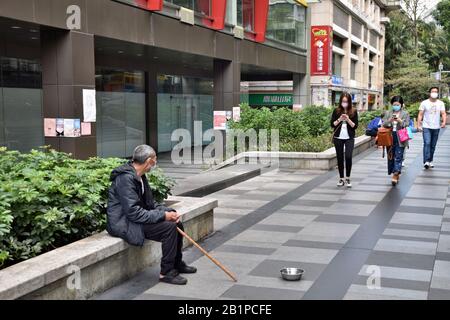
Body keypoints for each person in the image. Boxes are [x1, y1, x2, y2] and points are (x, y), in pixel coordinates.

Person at [106, 145, 197, 285]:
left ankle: (176, 263)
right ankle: (166, 272)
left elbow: (150, 204)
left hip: (135, 219)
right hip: (125, 223)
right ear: (149, 161)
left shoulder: (140, 176)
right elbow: (134, 213)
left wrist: (167, 212)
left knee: (176, 222)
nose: (155, 162)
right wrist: (163, 217)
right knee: (169, 228)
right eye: (155, 159)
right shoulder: (125, 179)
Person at [330, 92, 359, 188]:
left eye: (346, 101)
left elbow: (355, 126)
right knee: (340, 157)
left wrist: (347, 119)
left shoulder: (353, 111)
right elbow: (332, 124)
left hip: (349, 137)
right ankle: (341, 178)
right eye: (343, 101)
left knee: (348, 156)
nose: (344, 103)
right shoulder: (336, 111)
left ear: (349, 102)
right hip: (338, 137)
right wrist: (339, 119)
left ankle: (348, 178)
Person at [383, 96, 410, 186]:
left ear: (401, 105)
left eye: (398, 105)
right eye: (394, 104)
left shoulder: (405, 113)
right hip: (389, 136)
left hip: (400, 137)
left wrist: (399, 121)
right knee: (391, 155)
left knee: (398, 156)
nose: (396, 106)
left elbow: (406, 124)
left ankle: (395, 174)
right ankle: (395, 172)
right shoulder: (388, 113)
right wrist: (390, 120)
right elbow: (384, 124)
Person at [418, 87, 447, 169]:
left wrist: (444, 122)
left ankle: (430, 160)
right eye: (433, 91)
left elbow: (443, 113)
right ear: (429, 93)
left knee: (433, 145)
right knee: (427, 143)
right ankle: (426, 161)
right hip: (426, 126)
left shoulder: (440, 103)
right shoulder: (424, 103)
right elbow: (420, 114)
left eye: (436, 92)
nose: (434, 93)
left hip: (436, 127)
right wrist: (419, 125)